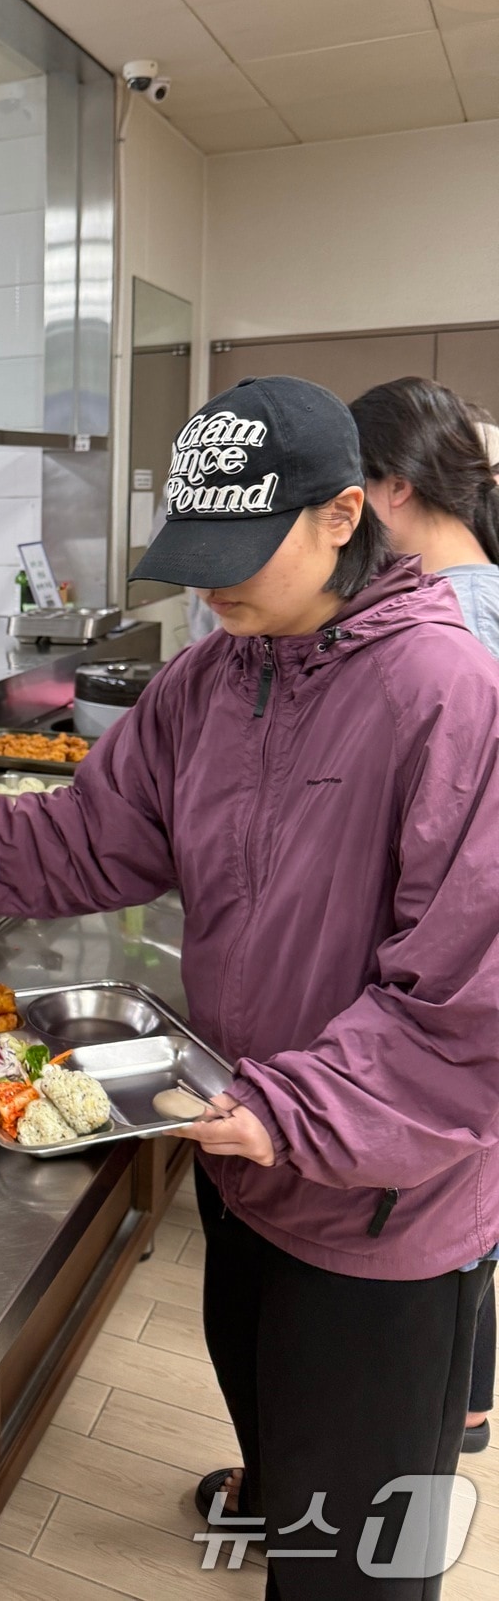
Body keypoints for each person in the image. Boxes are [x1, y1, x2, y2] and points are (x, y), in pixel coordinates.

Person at [0, 375, 499, 1600]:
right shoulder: (213, 681)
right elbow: (89, 840)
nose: (210, 584)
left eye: (239, 553)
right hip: (245, 1159)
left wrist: (296, 1111)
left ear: (342, 515)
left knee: (358, 1553)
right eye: (195, 554)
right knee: (269, 1426)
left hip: (377, 1208)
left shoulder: (445, 696)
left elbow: (466, 1003)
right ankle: (274, 1504)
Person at [352, 374, 499, 1456]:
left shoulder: (430, 635)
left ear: (388, 491)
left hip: (452, 967)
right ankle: (469, 1391)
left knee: (443, 1185)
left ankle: (428, 1412)